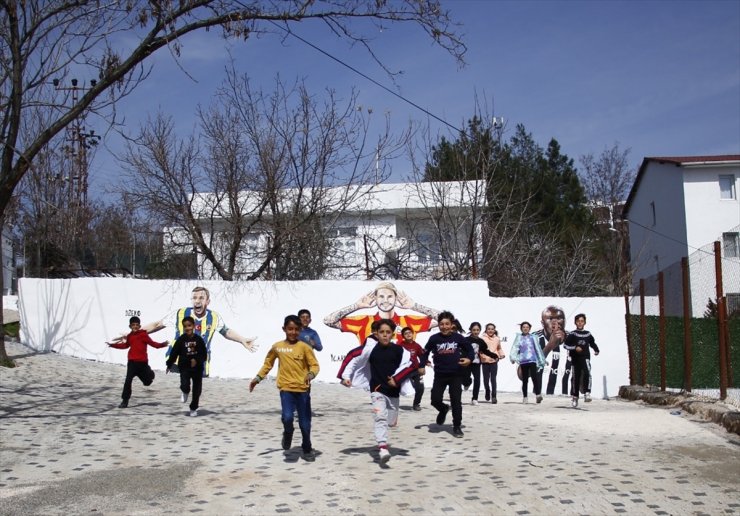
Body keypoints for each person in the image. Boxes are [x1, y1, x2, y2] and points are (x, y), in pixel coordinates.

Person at [129, 286, 258, 378]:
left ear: (207, 301)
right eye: (194, 297)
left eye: (201, 298)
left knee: (196, 393)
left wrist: (242, 340)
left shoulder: (213, 317)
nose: (197, 301)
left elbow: (226, 331)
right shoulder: (180, 313)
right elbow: (157, 324)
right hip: (178, 361)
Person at [340, 319, 417, 464]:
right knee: (380, 417)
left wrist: (397, 379)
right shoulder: (370, 349)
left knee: (391, 422)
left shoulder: (399, 350)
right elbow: (354, 359)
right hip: (377, 390)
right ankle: (383, 447)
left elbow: (413, 363)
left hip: (393, 392)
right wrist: (345, 376)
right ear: (376, 333)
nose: (385, 335)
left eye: (388, 332)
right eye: (382, 332)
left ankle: (391, 423)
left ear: (393, 334)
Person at [249, 315, 319, 462]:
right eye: (290, 329)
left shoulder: (305, 347)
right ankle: (288, 432)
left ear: (300, 330)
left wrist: (311, 374)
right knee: (287, 417)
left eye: (296, 329)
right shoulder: (277, 347)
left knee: (305, 422)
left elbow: (315, 365)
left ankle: (307, 447)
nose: (293, 332)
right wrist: (258, 378)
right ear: (284, 329)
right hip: (286, 388)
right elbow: (268, 364)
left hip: (303, 390)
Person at [323, 281, 440, 345]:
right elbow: (328, 321)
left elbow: (445, 320)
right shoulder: (364, 321)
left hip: (402, 378)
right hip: (376, 379)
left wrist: (414, 306)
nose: (385, 300)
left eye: (389, 296)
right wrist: (357, 306)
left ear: (396, 298)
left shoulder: (408, 321)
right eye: (381, 296)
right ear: (375, 298)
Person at [419, 310, 474, 437]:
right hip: (440, 374)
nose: (444, 327)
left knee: (456, 402)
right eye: (441, 324)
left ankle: (457, 426)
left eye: (447, 324)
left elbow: (469, 349)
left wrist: (469, 359)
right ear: (438, 325)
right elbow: (425, 352)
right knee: (435, 400)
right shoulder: (434, 339)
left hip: (456, 374)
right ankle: (443, 409)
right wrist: (421, 365)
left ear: (451, 324)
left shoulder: (458, 338)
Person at [107, 316, 168, 408]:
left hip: (142, 363)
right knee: (128, 380)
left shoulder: (143, 335)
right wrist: (112, 345)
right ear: (130, 326)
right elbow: (125, 346)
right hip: (132, 363)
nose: (135, 326)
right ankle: (125, 401)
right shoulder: (130, 336)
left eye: (137, 325)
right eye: (133, 325)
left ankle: (150, 373)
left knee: (147, 383)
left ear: (139, 326)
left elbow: (153, 344)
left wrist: (163, 344)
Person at [166, 316, 208, 417]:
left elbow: (204, 355)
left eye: (189, 326)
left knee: (197, 390)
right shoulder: (181, 340)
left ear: (193, 326)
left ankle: (193, 408)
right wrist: (169, 364)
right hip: (184, 367)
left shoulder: (199, 340)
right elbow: (174, 352)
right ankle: (185, 391)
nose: (187, 328)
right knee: (185, 384)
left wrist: (196, 360)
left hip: (197, 369)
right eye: (185, 326)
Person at [563, 313, 600, 407]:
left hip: (585, 357)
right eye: (578, 321)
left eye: (582, 321)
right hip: (575, 359)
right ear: (575, 322)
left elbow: (592, 343)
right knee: (576, 378)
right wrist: (575, 348)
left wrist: (596, 350)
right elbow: (565, 345)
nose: (580, 323)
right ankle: (575, 397)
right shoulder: (572, 334)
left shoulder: (588, 334)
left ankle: (587, 393)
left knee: (587, 373)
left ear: (585, 323)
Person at [533, 305, 568, 395]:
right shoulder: (533, 338)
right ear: (542, 323)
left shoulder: (573, 338)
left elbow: (582, 388)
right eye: (550, 318)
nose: (555, 322)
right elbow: (521, 374)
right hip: (538, 400)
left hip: (566, 402)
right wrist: (549, 346)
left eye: (559, 318)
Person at [510, 321, 546, 404]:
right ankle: (525, 397)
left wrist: (542, 360)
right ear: (521, 329)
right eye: (523, 327)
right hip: (523, 361)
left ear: (529, 328)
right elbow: (515, 348)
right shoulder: (519, 337)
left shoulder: (533, 337)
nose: (525, 328)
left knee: (535, 378)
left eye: (527, 327)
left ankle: (538, 395)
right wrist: (513, 357)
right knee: (525, 380)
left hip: (532, 360)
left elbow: (538, 349)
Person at [464, 322, 499, 405]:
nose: (476, 332)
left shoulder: (480, 341)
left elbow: (485, 351)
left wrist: (494, 355)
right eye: (474, 330)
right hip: (467, 363)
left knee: (477, 380)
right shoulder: (466, 340)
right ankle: (467, 383)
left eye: (477, 330)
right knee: (465, 379)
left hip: (476, 363)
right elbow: (461, 350)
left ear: (480, 330)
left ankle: (474, 398)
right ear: (470, 330)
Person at [399, 326, 426, 410]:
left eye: (409, 333)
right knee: (394, 386)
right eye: (406, 334)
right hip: (404, 370)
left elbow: (422, 356)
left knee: (420, 387)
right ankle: (391, 403)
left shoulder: (417, 345)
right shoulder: (400, 345)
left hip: (415, 370)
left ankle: (416, 404)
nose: (408, 335)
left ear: (413, 334)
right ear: (403, 336)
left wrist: (423, 366)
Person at [480, 323, 505, 404]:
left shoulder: (497, 339)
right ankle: (487, 391)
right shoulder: (482, 338)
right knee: (486, 379)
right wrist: (483, 357)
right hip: (485, 361)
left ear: (494, 330)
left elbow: (499, 348)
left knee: (493, 379)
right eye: (489, 329)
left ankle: (494, 396)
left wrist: (502, 354)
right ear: (486, 330)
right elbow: (480, 350)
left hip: (494, 361)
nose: (490, 330)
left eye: (492, 329)